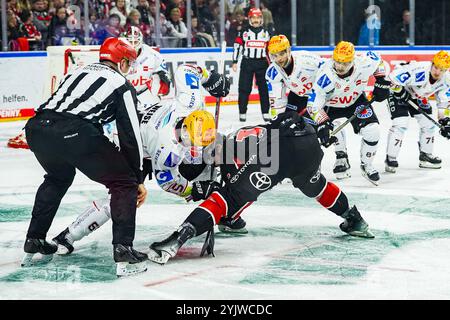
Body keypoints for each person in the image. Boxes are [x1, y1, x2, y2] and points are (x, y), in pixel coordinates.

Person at [51, 63, 245, 256]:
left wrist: (208, 77)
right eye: (194, 143)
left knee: (219, 150)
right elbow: (167, 181)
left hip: (148, 125)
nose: (196, 147)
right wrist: (194, 190)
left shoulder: (191, 103)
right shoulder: (168, 151)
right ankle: (68, 236)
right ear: (185, 133)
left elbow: (186, 69)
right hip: (132, 148)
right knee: (123, 198)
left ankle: (225, 213)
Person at [147, 111, 375, 265]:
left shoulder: (228, 157)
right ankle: (354, 219)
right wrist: (316, 132)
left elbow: (229, 195)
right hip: (305, 143)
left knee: (225, 199)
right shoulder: (238, 134)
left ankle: (177, 239)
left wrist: (215, 204)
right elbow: (290, 119)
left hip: (275, 157)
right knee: (317, 186)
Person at [21, 37, 149, 277]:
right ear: (121, 62)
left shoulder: (76, 72)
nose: (129, 69)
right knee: (123, 182)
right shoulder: (120, 83)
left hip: (37, 128)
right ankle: (123, 249)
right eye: (129, 64)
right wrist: (137, 177)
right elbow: (130, 135)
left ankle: (35, 238)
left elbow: (64, 107)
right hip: (72, 131)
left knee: (58, 177)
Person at [307, 41, 390, 185]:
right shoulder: (325, 76)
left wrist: (381, 80)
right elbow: (313, 106)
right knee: (329, 132)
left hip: (356, 101)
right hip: (331, 105)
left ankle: (367, 164)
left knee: (373, 131)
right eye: (337, 62)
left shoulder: (363, 63)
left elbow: (380, 61)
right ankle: (341, 157)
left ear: (352, 60)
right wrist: (322, 123)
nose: (339, 67)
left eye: (344, 63)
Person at [384, 50, 450, 173]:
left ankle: (425, 155)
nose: (438, 72)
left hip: (417, 96)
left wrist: (445, 121)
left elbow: (443, 104)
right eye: (436, 67)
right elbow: (391, 79)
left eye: (442, 70)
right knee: (401, 124)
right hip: (398, 93)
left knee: (429, 125)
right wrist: (400, 90)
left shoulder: (447, 81)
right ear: (432, 64)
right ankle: (391, 158)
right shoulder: (419, 70)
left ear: (446, 70)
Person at [265, 34, 323, 117]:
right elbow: (277, 103)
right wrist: (275, 128)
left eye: (281, 54)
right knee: (279, 120)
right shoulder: (272, 73)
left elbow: (329, 69)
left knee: (315, 127)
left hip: (319, 97)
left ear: (288, 50)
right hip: (297, 96)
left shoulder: (307, 60)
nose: (279, 59)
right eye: (274, 56)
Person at [232, 7, 272, 122]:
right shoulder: (243, 32)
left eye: (258, 18)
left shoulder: (266, 33)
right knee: (244, 88)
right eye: (253, 18)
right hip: (247, 62)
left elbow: (270, 49)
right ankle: (242, 112)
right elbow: (237, 46)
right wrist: (235, 61)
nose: (256, 20)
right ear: (249, 19)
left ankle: (265, 112)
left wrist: (273, 64)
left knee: (264, 89)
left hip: (262, 63)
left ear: (261, 19)